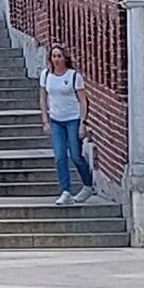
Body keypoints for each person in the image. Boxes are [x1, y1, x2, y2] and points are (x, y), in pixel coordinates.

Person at [40, 45, 97, 205]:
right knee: (60, 157)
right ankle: (65, 191)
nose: (56, 59)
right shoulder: (45, 75)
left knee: (76, 155)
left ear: (65, 58)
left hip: (73, 118)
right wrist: (45, 120)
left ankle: (87, 184)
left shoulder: (74, 76)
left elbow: (83, 101)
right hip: (56, 119)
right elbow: (43, 98)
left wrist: (82, 123)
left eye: (59, 56)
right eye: (54, 56)